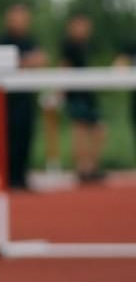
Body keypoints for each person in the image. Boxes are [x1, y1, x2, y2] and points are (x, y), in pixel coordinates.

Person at [0, 4, 46, 190]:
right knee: (9, 139)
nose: (20, 21)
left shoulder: (30, 40)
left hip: (26, 98)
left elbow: (41, 60)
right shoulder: (1, 41)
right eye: (16, 17)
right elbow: (3, 65)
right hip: (7, 101)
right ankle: (9, 178)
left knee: (26, 136)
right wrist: (26, 62)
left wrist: (26, 63)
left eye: (23, 17)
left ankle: (22, 176)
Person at [60, 14, 107, 184]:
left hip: (89, 95)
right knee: (79, 130)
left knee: (99, 130)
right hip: (76, 95)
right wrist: (61, 91)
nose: (82, 29)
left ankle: (92, 166)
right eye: (79, 25)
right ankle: (81, 168)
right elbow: (64, 67)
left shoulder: (87, 45)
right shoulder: (69, 45)